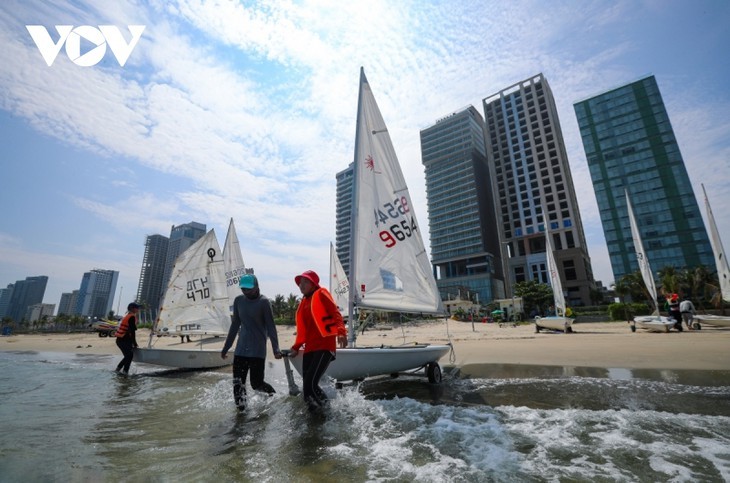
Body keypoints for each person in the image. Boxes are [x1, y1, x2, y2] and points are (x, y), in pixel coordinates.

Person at [221, 274, 282, 411]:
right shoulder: (238, 301)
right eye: (243, 289)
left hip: (257, 350)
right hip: (241, 349)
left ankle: (273, 397)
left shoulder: (264, 302)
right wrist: (226, 347)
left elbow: (271, 327)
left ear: (256, 287)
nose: (245, 292)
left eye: (248, 289)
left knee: (256, 384)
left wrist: (276, 349)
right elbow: (235, 325)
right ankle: (241, 417)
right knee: (238, 384)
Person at [289, 270, 347, 413]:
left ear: (313, 283)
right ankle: (314, 419)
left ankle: (329, 413)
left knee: (310, 385)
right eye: (300, 283)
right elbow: (303, 330)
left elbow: (335, 312)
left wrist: (341, 331)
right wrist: (296, 347)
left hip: (324, 346)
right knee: (306, 390)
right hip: (310, 348)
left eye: (305, 282)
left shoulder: (321, 293)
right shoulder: (303, 302)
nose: (301, 285)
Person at [115, 302, 140, 374]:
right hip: (124, 340)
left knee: (128, 356)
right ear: (132, 308)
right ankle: (124, 372)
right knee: (129, 356)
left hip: (120, 340)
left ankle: (119, 371)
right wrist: (134, 343)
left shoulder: (127, 316)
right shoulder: (131, 317)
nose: (138, 309)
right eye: (137, 308)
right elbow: (132, 331)